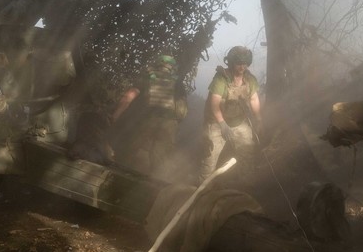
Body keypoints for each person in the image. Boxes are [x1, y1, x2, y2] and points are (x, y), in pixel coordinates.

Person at [110, 54, 188, 178]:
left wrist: (115, 116)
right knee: (160, 162)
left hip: (147, 120)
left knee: (128, 151)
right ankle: (152, 190)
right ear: (173, 68)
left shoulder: (147, 78)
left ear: (158, 64)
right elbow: (181, 109)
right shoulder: (178, 84)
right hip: (169, 124)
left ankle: (116, 179)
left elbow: (128, 97)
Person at [198, 45, 261, 184]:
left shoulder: (250, 80)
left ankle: (247, 185)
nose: (241, 67)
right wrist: (222, 124)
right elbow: (214, 104)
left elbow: (254, 98)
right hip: (217, 122)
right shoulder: (221, 80)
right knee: (209, 159)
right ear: (231, 62)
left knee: (247, 156)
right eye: (238, 63)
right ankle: (201, 190)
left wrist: (258, 119)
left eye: (244, 63)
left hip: (239, 122)